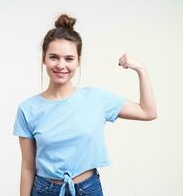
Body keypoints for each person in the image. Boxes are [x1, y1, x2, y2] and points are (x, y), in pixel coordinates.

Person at [13, 13, 157, 196]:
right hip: (45, 190)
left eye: (69, 58)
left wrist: (141, 69)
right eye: (54, 57)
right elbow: (27, 167)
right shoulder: (28, 109)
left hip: (88, 189)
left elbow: (148, 112)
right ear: (44, 58)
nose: (61, 65)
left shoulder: (96, 99)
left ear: (79, 61)